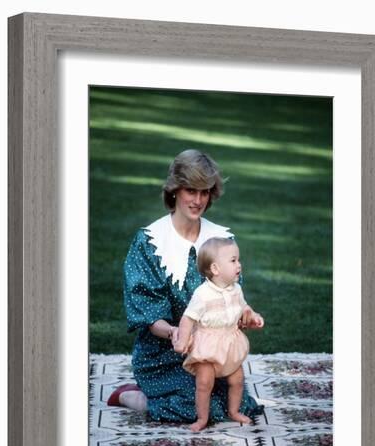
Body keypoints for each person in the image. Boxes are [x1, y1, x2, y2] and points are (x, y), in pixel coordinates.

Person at [107, 149, 264, 424]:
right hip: (164, 353)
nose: (198, 200)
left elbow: (233, 296)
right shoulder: (150, 242)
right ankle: (134, 396)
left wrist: (243, 316)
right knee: (196, 408)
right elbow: (148, 313)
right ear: (175, 190)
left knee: (239, 405)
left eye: (205, 192)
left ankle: (162, 398)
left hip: (212, 352)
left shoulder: (221, 240)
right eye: (191, 190)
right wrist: (175, 332)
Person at [173, 237, 264, 431]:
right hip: (208, 345)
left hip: (229, 343)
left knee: (237, 379)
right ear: (215, 269)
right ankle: (202, 418)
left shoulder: (236, 289)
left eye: (238, 260)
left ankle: (234, 411)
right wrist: (182, 340)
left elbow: (243, 307)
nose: (239, 265)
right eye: (233, 261)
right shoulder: (202, 294)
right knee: (205, 382)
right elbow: (188, 318)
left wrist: (252, 315)